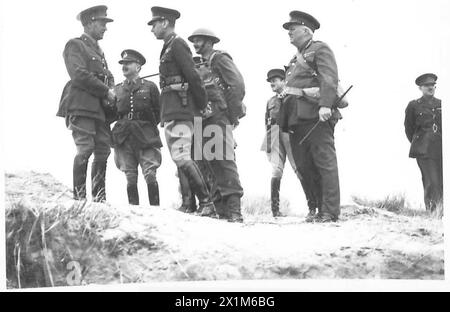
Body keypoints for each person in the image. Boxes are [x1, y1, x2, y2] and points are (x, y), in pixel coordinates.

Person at [148, 7, 217, 217]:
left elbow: (193, 77)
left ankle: (207, 203)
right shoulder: (168, 46)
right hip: (172, 108)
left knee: (182, 155)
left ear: (165, 23)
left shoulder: (177, 44)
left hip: (181, 108)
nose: (152, 29)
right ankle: (190, 203)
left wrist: (203, 103)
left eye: (154, 24)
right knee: (179, 157)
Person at [278, 11, 341, 222]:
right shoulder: (294, 59)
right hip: (296, 119)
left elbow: (329, 79)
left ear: (306, 30)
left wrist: (325, 105)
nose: (289, 33)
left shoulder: (320, 49)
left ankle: (330, 211)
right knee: (304, 165)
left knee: (324, 163)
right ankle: (315, 208)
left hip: (316, 116)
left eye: (292, 29)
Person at [57, 5, 115, 202]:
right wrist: (106, 90)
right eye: (102, 23)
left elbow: (107, 75)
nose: (105, 28)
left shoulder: (99, 51)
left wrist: (112, 88)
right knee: (85, 148)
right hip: (82, 106)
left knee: (103, 150)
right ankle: (80, 199)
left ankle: (99, 199)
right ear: (90, 22)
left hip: (99, 110)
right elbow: (79, 74)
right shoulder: (74, 45)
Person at [188, 28, 246, 222]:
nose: (195, 44)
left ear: (210, 42)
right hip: (202, 118)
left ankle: (235, 211)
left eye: (199, 40)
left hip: (218, 116)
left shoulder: (219, 59)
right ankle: (221, 210)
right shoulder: (199, 65)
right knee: (207, 163)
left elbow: (236, 84)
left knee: (223, 160)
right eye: (194, 40)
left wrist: (230, 113)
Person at [111, 49, 162, 206]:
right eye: (123, 64)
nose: (124, 66)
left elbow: (159, 111)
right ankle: (135, 211)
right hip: (123, 136)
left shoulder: (150, 87)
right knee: (130, 175)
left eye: (128, 63)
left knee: (150, 173)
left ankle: (155, 210)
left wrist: (146, 125)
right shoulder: (117, 89)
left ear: (138, 67)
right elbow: (112, 112)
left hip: (146, 135)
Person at [261, 69, 298, 217]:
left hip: (290, 135)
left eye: (275, 80)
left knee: (299, 169)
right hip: (275, 136)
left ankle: (313, 207)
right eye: (270, 81)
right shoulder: (270, 101)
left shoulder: (293, 97)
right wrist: (268, 142)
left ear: (284, 81)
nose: (271, 83)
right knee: (276, 171)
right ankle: (275, 211)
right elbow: (266, 122)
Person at [404, 73, 442, 212]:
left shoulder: (441, 103)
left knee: (442, 180)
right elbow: (409, 128)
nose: (430, 87)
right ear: (420, 88)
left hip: (441, 147)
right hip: (424, 150)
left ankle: (443, 212)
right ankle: (433, 212)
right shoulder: (414, 105)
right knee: (432, 181)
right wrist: (418, 143)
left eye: (432, 85)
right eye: (427, 85)